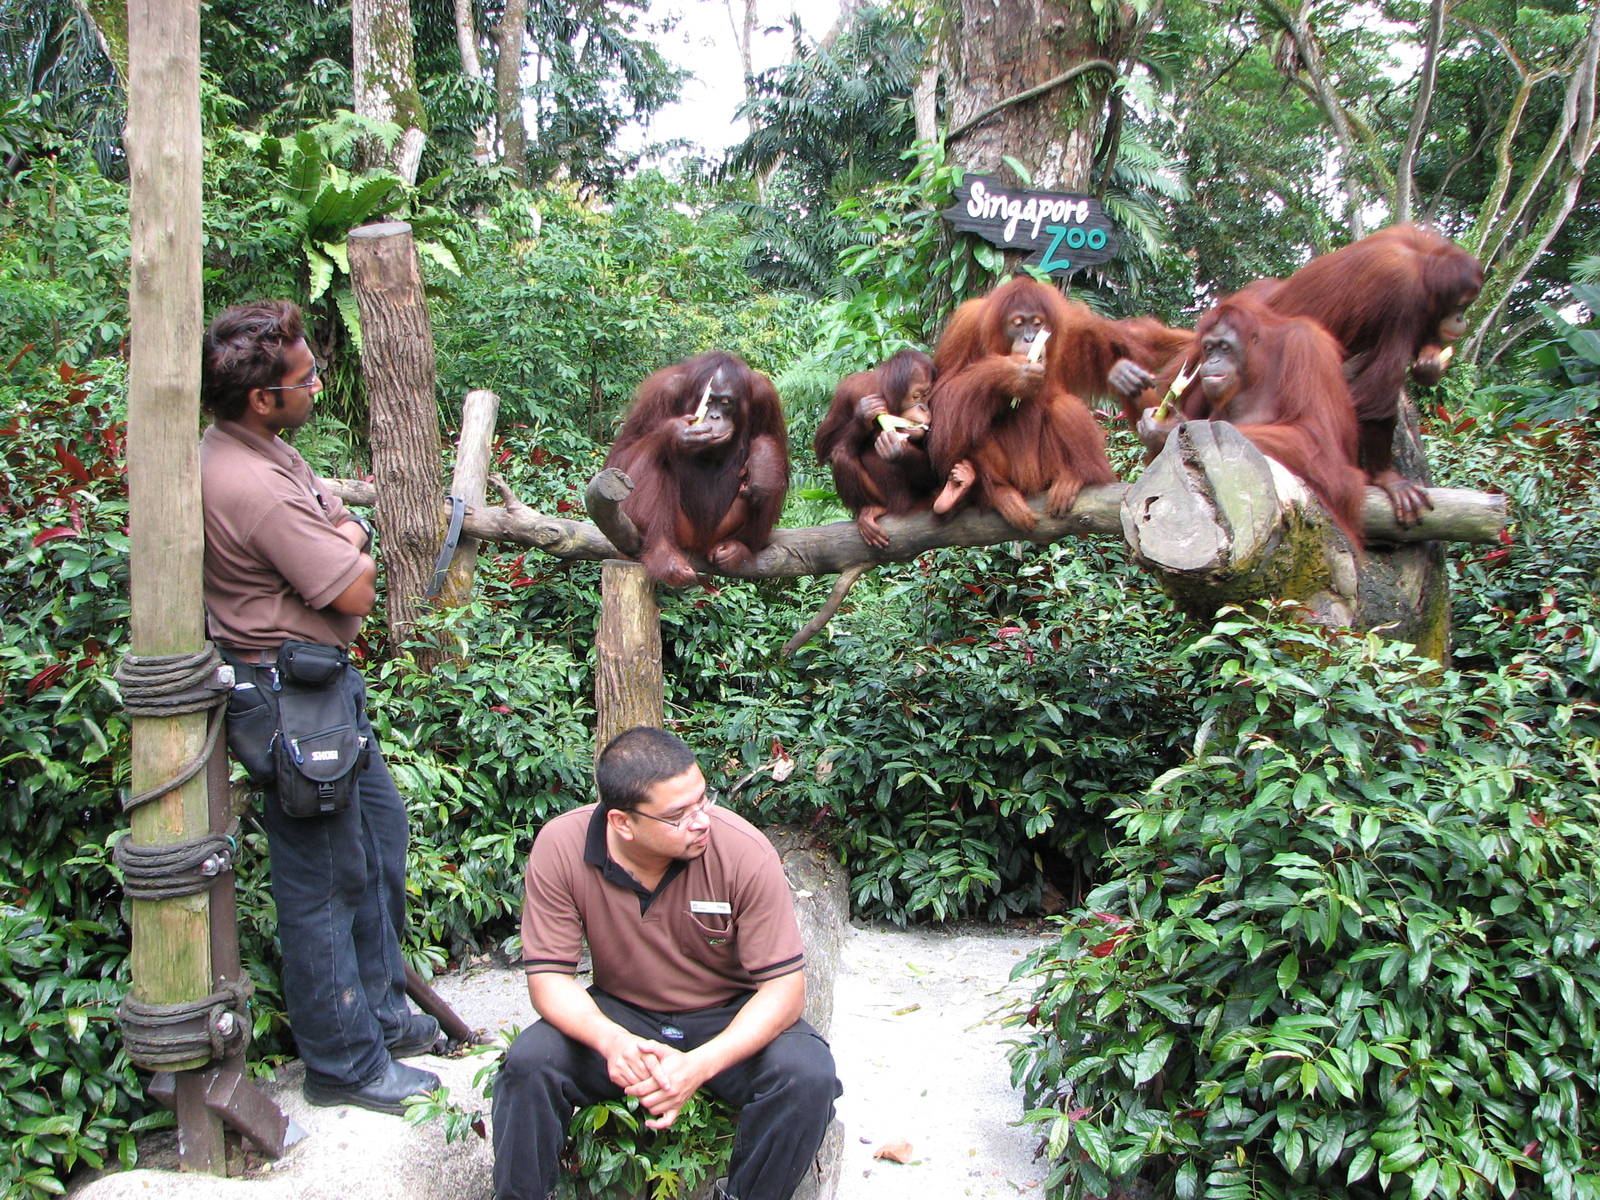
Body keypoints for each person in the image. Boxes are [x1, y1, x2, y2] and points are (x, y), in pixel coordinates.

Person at [199, 299, 441, 1114]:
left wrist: (343, 535)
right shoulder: (250, 484)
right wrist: (349, 545)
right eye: (307, 378)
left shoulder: (269, 450)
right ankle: (345, 1064)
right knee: (325, 882)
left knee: (378, 841)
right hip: (286, 696)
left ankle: (381, 1014)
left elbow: (343, 536)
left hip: (322, 685)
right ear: (263, 396)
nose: (318, 384)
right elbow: (354, 586)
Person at [492, 726, 840, 1200]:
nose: (701, 821)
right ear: (622, 822)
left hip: (725, 1013)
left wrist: (695, 1067)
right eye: (679, 815)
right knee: (529, 1063)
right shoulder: (562, 845)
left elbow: (784, 991)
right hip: (623, 1010)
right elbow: (550, 979)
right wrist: (611, 1041)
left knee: (808, 1075)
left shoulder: (742, 851)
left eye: (703, 800)